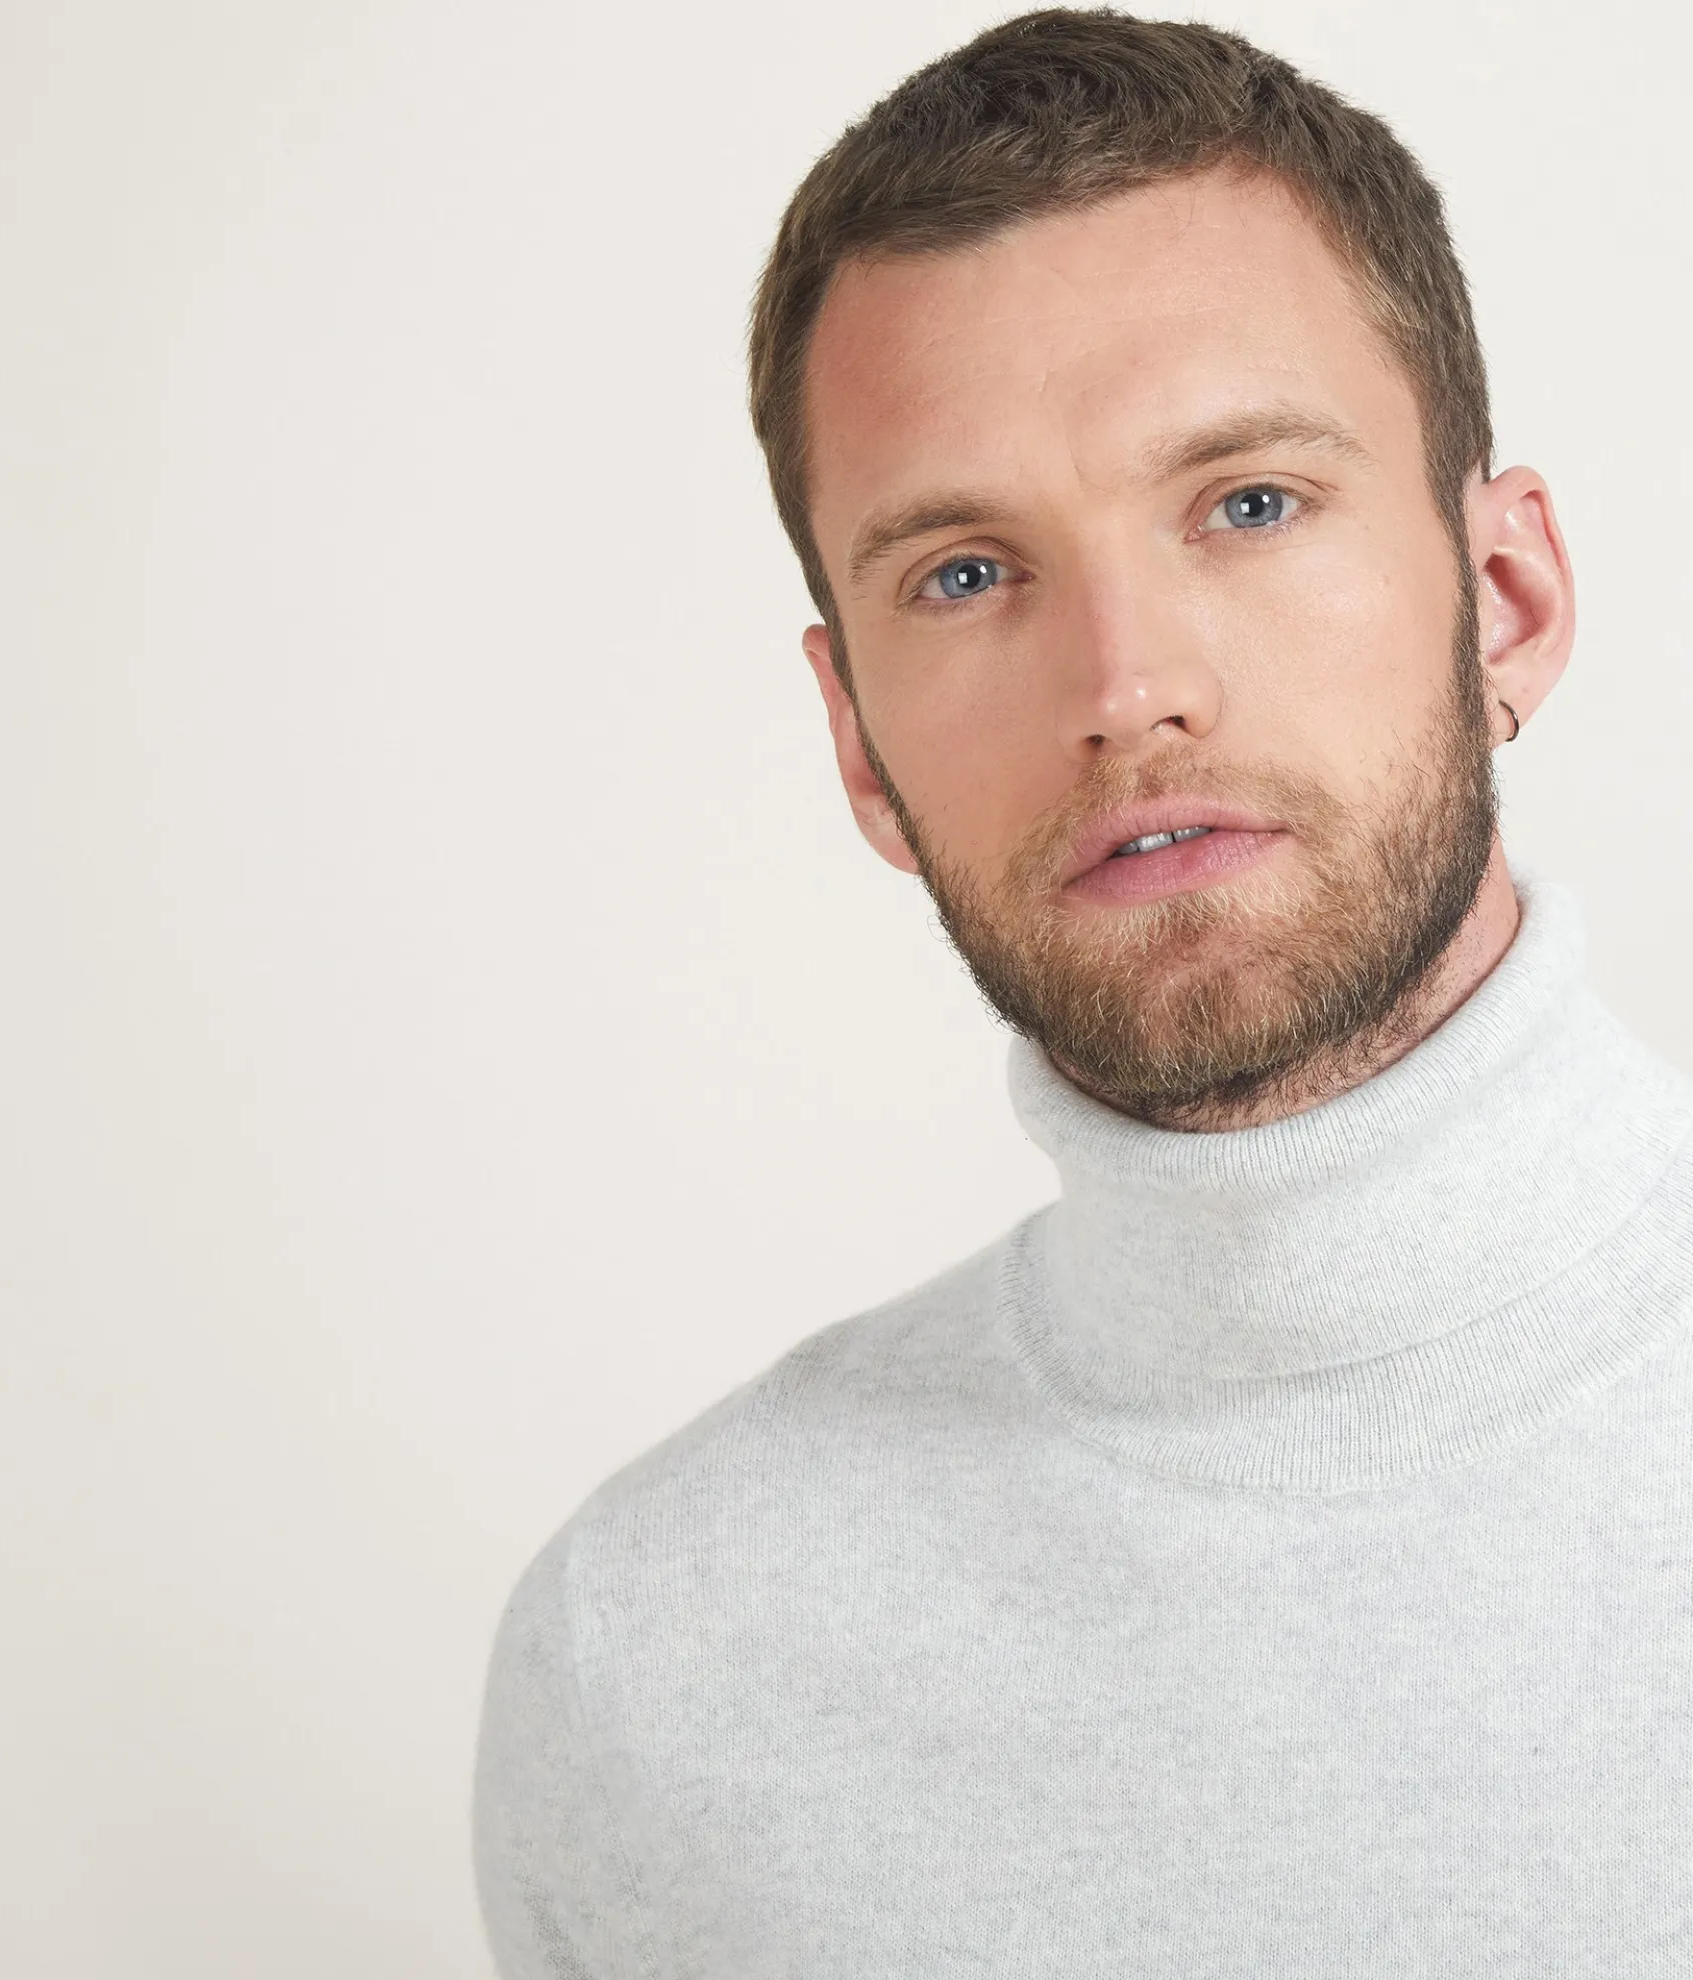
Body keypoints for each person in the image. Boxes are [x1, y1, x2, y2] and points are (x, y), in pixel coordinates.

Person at [473, 11, 1693, 1972]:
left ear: (1508, 603)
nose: (1127, 689)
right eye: (966, 575)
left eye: (1249, 503)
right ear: (860, 746)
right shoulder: (665, 1665)